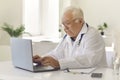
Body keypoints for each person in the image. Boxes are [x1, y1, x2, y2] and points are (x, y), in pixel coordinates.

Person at [33, 6, 107, 70]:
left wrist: (59, 63)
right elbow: (57, 53)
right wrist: (42, 59)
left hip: (95, 75)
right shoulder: (68, 37)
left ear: (80, 21)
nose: (65, 28)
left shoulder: (92, 34)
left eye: (68, 23)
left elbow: (89, 59)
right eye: (63, 25)